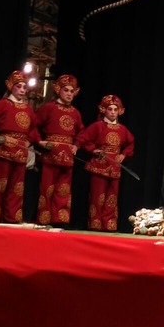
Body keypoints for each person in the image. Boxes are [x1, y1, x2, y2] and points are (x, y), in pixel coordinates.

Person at [0, 70, 44, 224]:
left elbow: (33, 129)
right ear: (10, 87)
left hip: (20, 153)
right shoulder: (1, 105)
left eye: (24, 87)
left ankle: (12, 217)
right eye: (19, 86)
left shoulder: (28, 109)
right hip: (3, 150)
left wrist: (29, 141)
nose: (22, 90)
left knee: (17, 187)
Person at [35, 74, 84, 227]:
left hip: (67, 157)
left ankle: (59, 220)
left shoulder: (75, 113)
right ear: (58, 90)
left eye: (71, 91)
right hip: (51, 154)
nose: (69, 94)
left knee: (63, 190)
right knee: (47, 189)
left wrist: (76, 145)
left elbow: (81, 132)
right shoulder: (48, 108)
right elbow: (34, 126)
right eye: (66, 90)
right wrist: (40, 141)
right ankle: (44, 220)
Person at [79, 94, 134, 232]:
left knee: (112, 197)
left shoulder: (122, 129)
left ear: (120, 111)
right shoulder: (97, 126)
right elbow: (84, 139)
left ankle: (109, 224)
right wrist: (94, 150)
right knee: (97, 196)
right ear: (104, 110)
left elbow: (130, 143)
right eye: (110, 109)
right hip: (100, 164)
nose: (113, 112)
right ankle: (95, 223)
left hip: (114, 166)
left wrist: (123, 154)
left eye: (115, 109)